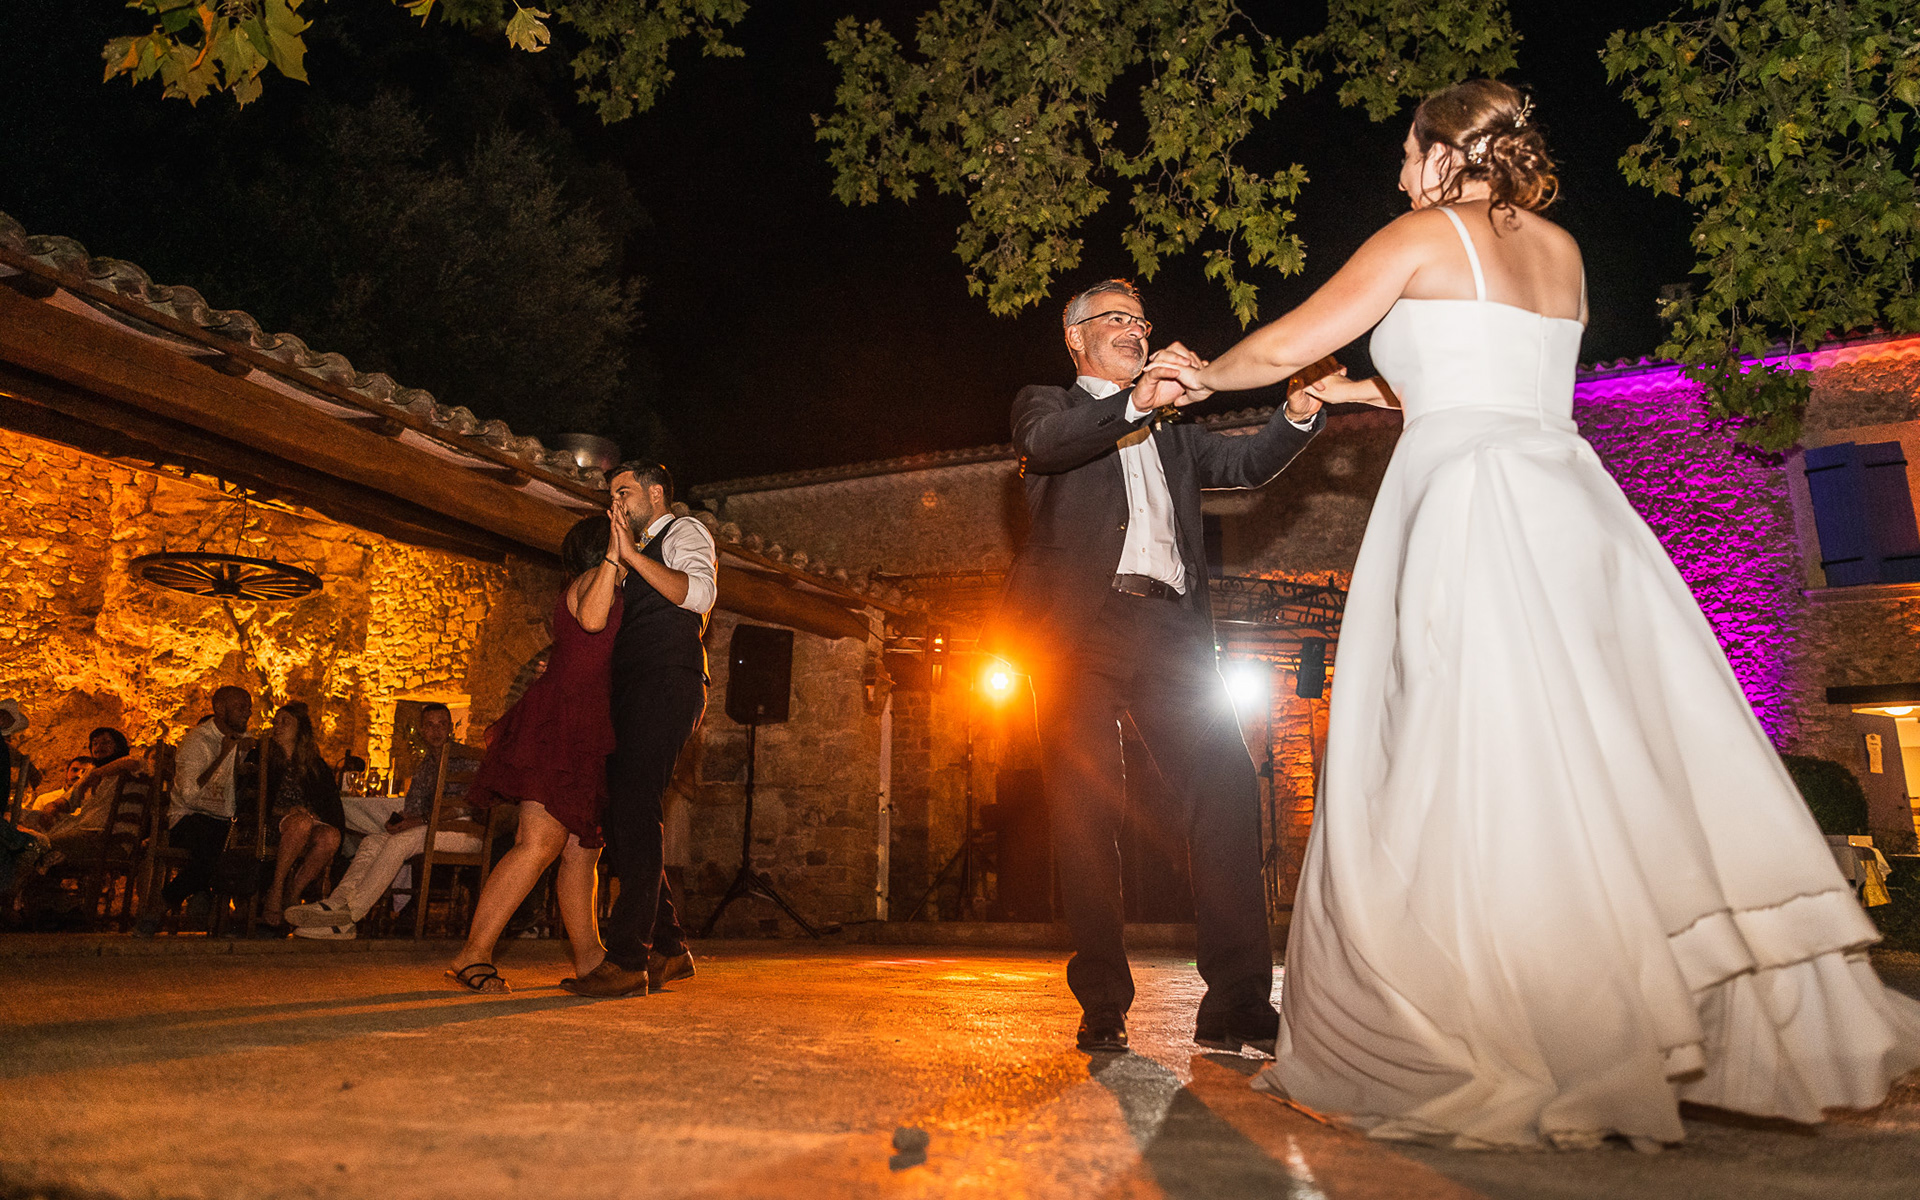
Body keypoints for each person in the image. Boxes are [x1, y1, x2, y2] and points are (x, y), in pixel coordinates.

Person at [1142, 79, 1920, 1148]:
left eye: (1407, 151)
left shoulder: (1424, 234)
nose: (1399, 173)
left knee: (1465, 750)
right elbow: (1499, 373)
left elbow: (1286, 345)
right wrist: (1374, 394)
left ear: (1444, 153)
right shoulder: (1562, 252)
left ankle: (1497, 1025)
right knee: (1595, 751)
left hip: (1468, 501)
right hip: (1570, 499)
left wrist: (1198, 379)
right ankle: (1629, 1019)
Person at [992, 277, 1323, 1054]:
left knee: (1227, 785)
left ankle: (1236, 1001)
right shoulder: (1047, 405)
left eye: (1142, 321)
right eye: (1116, 319)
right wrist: (1134, 404)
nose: (1135, 330)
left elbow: (1247, 465)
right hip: (1082, 628)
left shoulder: (1174, 433)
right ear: (1076, 337)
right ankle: (1103, 999)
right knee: (1086, 810)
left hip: (1173, 629)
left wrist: (1298, 413)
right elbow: (1046, 446)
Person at [445, 514, 625, 992]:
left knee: (581, 851)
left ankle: (590, 957)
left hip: (589, 729)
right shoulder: (592, 579)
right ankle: (472, 954)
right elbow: (592, 622)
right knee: (539, 842)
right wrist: (615, 554)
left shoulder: (608, 585)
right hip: (561, 723)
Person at [561, 462, 716, 999]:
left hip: (669, 681)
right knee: (622, 815)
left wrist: (630, 555)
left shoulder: (686, 531)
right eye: (611, 495)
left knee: (636, 808)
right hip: (633, 688)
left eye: (623, 491)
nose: (616, 503)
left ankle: (629, 958)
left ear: (655, 493)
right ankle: (670, 948)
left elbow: (698, 596)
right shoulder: (633, 550)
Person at [284, 702, 482, 938]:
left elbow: (469, 804)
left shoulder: (467, 759)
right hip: (431, 830)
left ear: (450, 727)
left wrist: (422, 820)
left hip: (466, 831)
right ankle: (334, 905)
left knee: (401, 842)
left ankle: (349, 916)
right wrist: (399, 822)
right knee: (373, 840)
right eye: (430, 725)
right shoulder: (425, 767)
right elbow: (413, 809)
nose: (436, 731)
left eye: (442, 724)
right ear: (421, 730)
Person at [139, 689, 252, 935]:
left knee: (245, 845)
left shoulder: (246, 740)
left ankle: (195, 899)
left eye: (249, 707)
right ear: (220, 709)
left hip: (224, 821)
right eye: (241, 707)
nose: (248, 713)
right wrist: (223, 755)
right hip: (188, 819)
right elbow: (190, 796)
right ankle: (183, 905)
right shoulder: (197, 742)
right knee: (218, 846)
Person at [255, 702, 346, 930]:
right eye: (276, 722)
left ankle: (293, 894)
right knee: (301, 823)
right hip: (271, 822)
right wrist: (287, 811)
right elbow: (255, 799)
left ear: (300, 728)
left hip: (304, 821)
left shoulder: (313, 764)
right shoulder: (262, 756)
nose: (278, 726)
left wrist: (313, 812)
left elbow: (328, 802)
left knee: (330, 836)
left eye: (285, 722)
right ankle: (276, 889)